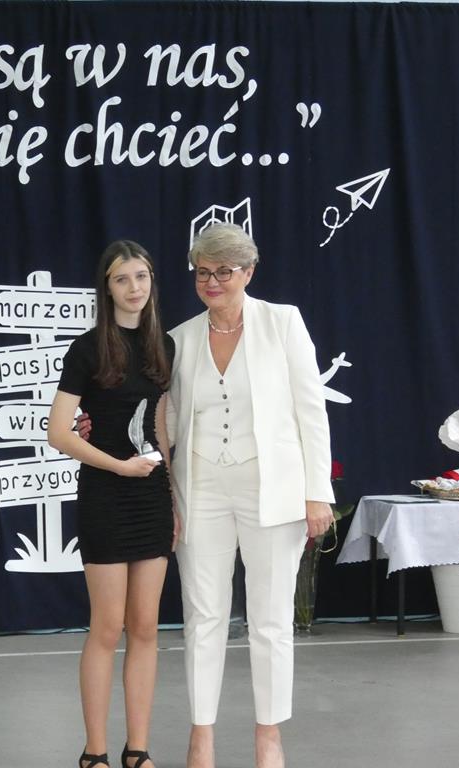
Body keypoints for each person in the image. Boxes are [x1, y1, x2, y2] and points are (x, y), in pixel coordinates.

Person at [168, 223, 335, 768]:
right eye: (202, 272)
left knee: (270, 616)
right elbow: (166, 421)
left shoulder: (283, 323)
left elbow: (311, 411)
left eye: (224, 271)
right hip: (201, 486)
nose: (212, 282)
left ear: (249, 272)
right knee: (203, 614)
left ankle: (269, 735)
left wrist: (316, 493)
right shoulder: (180, 338)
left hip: (273, 487)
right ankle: (201, 735)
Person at [47, 240, 179, 768]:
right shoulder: (86, 349)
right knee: (106, 627)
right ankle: (94, 752)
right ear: (106, 288)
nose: (134, 287)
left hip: (151, 498)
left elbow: (160, 426)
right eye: (122, 279)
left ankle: (137, 750)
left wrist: (173, 498)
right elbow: (59, 432)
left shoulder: (164, 345)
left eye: (142, 276)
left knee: (146, 628)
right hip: (105, 495)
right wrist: (118, 466)